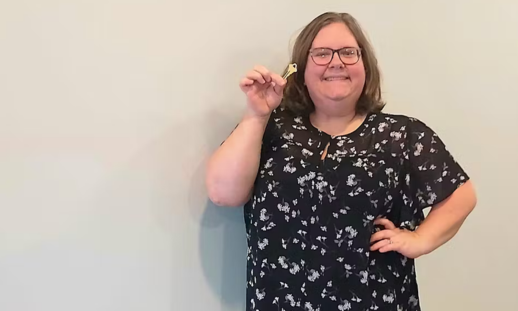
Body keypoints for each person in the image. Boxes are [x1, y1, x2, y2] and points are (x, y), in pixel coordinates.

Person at [205, 11, 477, 311]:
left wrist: (420, 240)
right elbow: (222, 193)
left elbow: (461, 196)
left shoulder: (401, 135)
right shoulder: (271, 128)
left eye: (349, 53)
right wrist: (257, 115)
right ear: (301, 70)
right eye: (321, 54)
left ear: (365, 66)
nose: (336, 62)